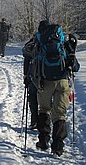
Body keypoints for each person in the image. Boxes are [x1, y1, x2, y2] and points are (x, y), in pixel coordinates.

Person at [33, 20, 79, 156]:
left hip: (45, 81)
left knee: (44, 109)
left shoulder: (40, 44)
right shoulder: (63, 44)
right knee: (60, 114)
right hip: (63, 81)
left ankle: (43, 141)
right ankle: (58, 146)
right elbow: (76, 66)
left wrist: (31, 78)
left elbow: (34, 63)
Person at [22, 36, 38, 130]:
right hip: (49, 78)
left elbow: (26, 62)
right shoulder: (54, 43)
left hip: (33, 77)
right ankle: (46, 123)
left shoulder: (31, 45)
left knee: (33, 97)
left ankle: (34, 121)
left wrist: (25, 76)